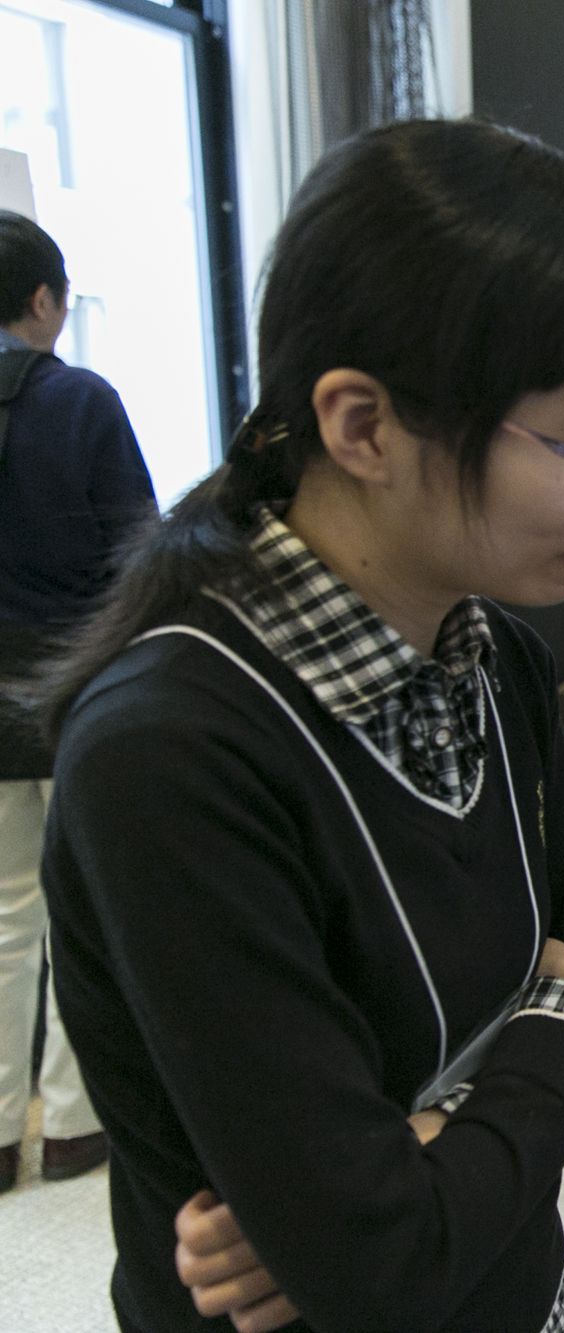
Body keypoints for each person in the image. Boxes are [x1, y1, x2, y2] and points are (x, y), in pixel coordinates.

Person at [24, 121, 564, 1332]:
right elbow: (376, 1264)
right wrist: (553, 1031)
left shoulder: (500, 663)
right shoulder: (171, 753)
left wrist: (428, 1154)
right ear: (363, 425)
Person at [0, 210, 155, 1194]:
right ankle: (69, 1125)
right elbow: (141, 551)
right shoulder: (82, 400)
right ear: (46, 299)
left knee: (2, 914)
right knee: (77, 908)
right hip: (66, 691)